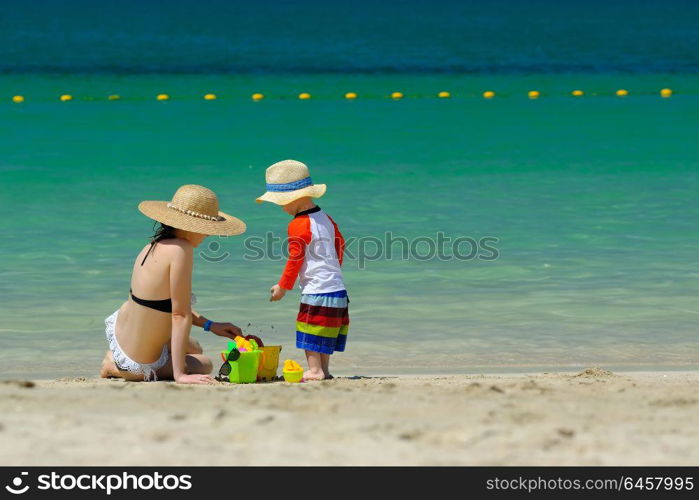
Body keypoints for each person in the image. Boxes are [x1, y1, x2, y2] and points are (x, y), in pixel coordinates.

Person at [100, 184, 246, 384]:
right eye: (207, 230)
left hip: (124, 335)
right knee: (204, 363)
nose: (209, 235)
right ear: (191, 226)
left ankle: (116, 358)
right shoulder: (181, 250)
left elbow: (161, 305)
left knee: (194, 348)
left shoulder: (153, 245)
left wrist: (211, 325)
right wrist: (180, 374)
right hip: (136, 362)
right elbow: (179, 315)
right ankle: (115, 366)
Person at [256, 160, 349, 380]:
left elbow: (295, 259)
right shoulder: (326, 218)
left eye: (281, 203)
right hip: (338, 289)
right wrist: (333, 270)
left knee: (310, 329)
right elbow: (340, 244)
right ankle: (324, 370)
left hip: (316, 290)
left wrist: (282, 287)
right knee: (325, 332)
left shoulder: (298, 224)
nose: (281, 208)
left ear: (292, 198)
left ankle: (315, 370)